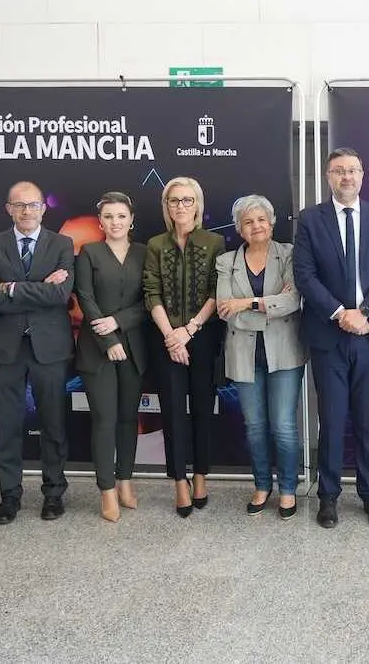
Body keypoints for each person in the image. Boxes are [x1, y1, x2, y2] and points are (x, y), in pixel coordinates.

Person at [293, 147, 369, 529]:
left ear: (362, 175)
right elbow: (305, 275)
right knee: (332, 420)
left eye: (353, 170)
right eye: (339, 171)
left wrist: (364, 313)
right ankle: (328, 497)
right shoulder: (310, 219)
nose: (347, 177)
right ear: (328, 176)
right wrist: (341, 314)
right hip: (329, 334)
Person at [0, 180, 75, 524]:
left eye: (33, 205)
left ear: (43, 209)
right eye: (19, 205)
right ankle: (9, 496)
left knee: (54, 424)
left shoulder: (62, 243)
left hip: (50, 346)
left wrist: (13, 288)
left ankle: (53, 494)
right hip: (6, 348)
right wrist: (38, 287)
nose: (27, 211)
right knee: (6, 425)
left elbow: (60, 296)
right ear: (8, 209)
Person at [216, 195, 306, 520]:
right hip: (243, 354)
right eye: (248, 221)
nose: (256, 226)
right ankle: (261, 485)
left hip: (284, 352)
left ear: (271, 223)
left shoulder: (290, 254)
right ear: (240, 228)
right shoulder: (226, 261)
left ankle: (287, 489)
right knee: (255, 427)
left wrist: (247, 303)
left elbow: (293, 300)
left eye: (261, 220)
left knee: (283, 426)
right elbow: (225, 309)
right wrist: (268, 303)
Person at [143, 176, 225, 518]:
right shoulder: (155, 244)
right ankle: (179, 481)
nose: (180, 206)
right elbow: (152, 292)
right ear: (166, 206)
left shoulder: (215, 241)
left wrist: (188, 331)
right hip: (165, 339)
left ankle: (201, 475)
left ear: (198, 205)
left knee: (203, 409)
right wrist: (171, 336)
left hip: (202, 336)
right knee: (173, 411)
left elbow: (216, 290)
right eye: (174, 200)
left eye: (187, 200)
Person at [73, 192, 148, 522]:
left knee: (128, 419)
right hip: (97, 351)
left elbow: (150, 300)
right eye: (108, 216)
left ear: (131, 219)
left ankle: (125, 483)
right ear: (100, 221)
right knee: (104, 420)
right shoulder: (88, 253)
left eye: (121, 216)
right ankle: (106, 492)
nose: (115, 222)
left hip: (134, 349)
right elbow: (86, 299)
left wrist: (118, 322)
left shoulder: (145, 253)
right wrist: (108, 339)